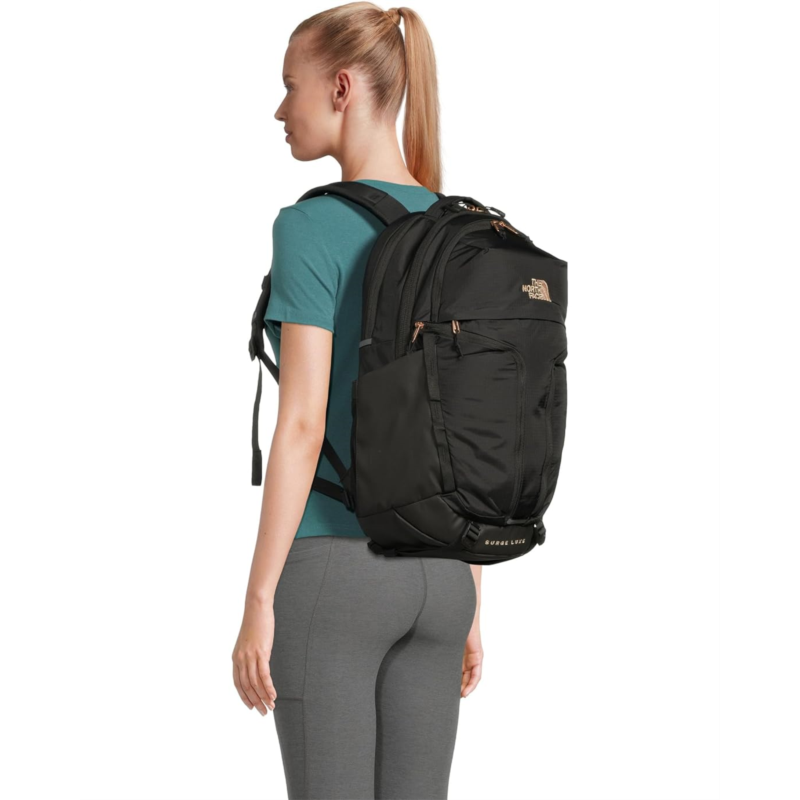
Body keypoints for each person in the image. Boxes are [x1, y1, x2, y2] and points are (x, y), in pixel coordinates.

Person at [232, 4, 483, 798]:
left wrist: (259, 599)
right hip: (444, 581)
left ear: (341, 88)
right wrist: (474, 600)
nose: (280, 109)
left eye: (290, 86)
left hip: (339, 575)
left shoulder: (312, 227)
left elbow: (303, 424)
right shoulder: (461, 231)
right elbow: (469, 432)